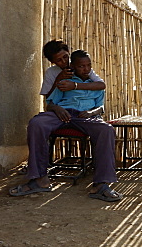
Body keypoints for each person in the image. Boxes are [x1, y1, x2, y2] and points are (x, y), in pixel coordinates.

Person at [12, 49, 122, 201]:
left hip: (85, 116)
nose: (86, 69)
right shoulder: (64, 81)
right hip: (62, 114)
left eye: (88, 65)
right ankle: (39, 179)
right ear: (73, 66)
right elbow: (50, 104)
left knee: (106, 130)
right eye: (81, 66)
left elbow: (100, 107)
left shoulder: (94, 84)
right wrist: (57, 109)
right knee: (37, 123)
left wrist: (91, 113)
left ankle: (101, 184)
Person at [39, 39, 105, 100]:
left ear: (68, 53)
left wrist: (75, 86)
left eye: (65, 57)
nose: (64, 61)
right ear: (52, 61)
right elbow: (48, 98)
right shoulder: (51, 72)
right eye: (59, 60)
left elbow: (101, 85)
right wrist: (59, 78)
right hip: (61, 107)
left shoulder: (80, 67)